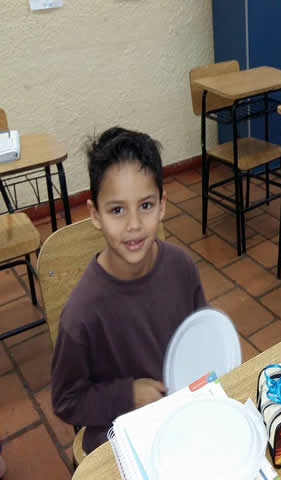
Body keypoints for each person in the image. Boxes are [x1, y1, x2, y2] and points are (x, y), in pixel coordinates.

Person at [51, 127, 207, 454]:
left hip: (184, 418)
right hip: (122, 436)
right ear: (95, 214)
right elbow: (66, 401)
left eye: (146, 205)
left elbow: (199, 333)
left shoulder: (181, 266)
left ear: (162, 205)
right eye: (117, 210)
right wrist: (127, 395)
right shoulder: (81, 314)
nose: (134, 224)